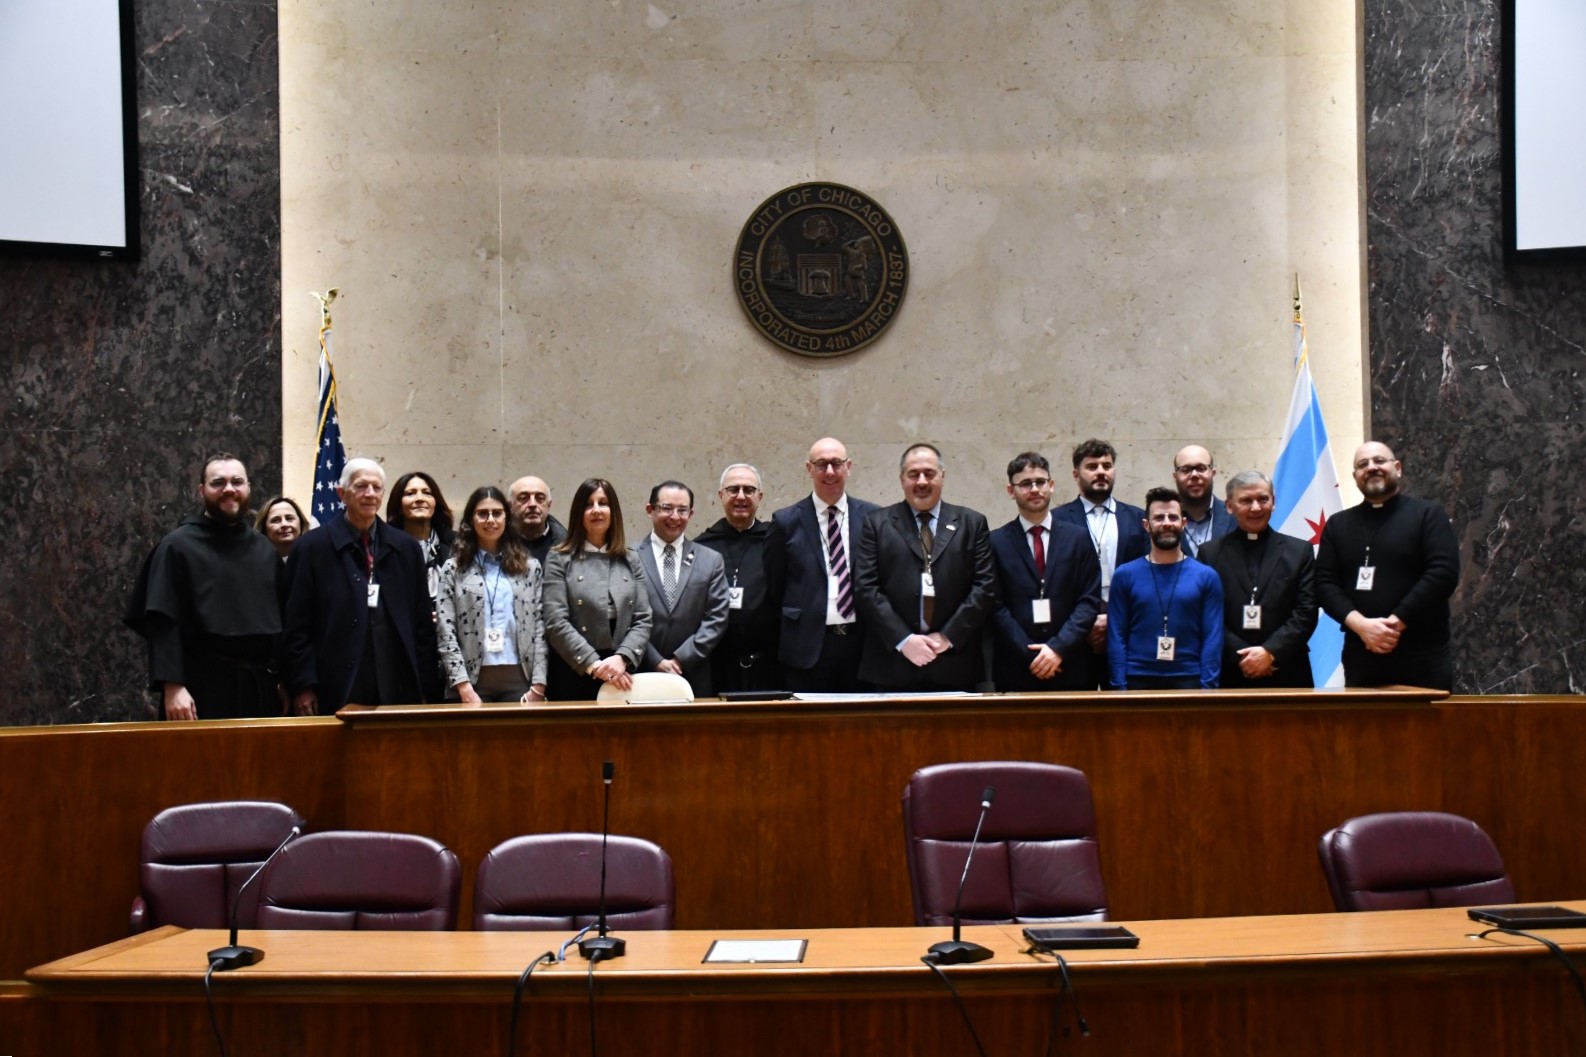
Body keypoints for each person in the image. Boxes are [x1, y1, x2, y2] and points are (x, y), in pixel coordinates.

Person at [125, 454, 284, 720]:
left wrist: (285, 681)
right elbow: (162, 622)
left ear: (248, 488)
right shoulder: (177, 547)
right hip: (198, 692)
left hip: (260, 690)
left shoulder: (264, 550)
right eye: (218, 483)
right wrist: (172, 686)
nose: (229, 489)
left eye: (237, 482)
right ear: (202, 490)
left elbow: (282, 621)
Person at [280, 458, 440, 713]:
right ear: (342, 493)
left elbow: (421, 626)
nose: (370, 494)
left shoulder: (405, 548)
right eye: (361, 486)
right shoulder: (311, 548)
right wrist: (303, 684)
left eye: (376, 488)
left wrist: (425, 686)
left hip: (396, 681)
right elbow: (296, 626)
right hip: (334, 681)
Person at [1315, 441, 1460, 689]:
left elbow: (1442, 574)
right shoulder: (1338, 525)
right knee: (1363, 728)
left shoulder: (1427, 515)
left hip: (1422, 655)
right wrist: (1361, 626)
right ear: (1355, 477)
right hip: (1361, 655)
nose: (1371, 467)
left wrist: (1395, 623)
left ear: (1397, 468)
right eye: (1363, 464)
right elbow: (1324, 583)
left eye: (1379, 461)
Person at [853, 443, 996, 692]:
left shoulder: (972, 523)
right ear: (901, 479)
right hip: (892, 664)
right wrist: (904, 640)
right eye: (913, 474)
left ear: (943, 476)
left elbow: (984, 587)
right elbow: (865, 588)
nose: (921, 481)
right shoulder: (876, 524)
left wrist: (947, 637)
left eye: (929, 473)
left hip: (955, 662)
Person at [765, 437, 881, 692]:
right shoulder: (786, 522)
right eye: (822, 464)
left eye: (836, 464)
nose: (829, 471)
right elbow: (775, 588)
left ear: (848, 467)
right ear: (809, 469)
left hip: (861, 645)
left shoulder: (874, 518)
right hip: (807, 648)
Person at [988, 452, 1102, 692]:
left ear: (1051, 485)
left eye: (1040, 482)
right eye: (1025, 483)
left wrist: (1058, 649)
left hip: (1071, 664)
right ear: (1011, 490)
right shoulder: (996, 542)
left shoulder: (1078, 537)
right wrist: (1030, 654)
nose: (1034, 489)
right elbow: (995, 606)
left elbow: (1088, 600)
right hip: (1017, 668)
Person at [1196, 471, 1318, 688]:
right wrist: (1243, 657)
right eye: (1245, 500)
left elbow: (1306, 612)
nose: (1255, 508)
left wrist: (1270, 652)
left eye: (1263, 499)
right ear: (1229, 506)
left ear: (1273, 502)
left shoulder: (1300, 551)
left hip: (1287, 668)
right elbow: (1206, 614)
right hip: (1230, 670)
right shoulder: (1210, 554)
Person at [541, 478, 652, 700]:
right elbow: (555, 621)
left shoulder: (630, 558)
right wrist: (595, 665)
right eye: (588, 504)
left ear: (614, 512)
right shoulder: (559, 558)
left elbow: (643, 618)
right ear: (578, 513)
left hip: (622, 670)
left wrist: (622, 658)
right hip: (575, 669)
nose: (596, 510)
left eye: (603, 503)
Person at [435, 486, 548, 704]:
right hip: (469, 681)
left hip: (521, 678)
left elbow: (541, 628)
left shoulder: (529, 568)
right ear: (471, 519)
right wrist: (463, 686)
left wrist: (538, 686)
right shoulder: (453, 569)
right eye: (482, 513)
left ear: (507, 518)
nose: (490, 520)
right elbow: (445, 629)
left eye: (497, 513)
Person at [1052, 439, 1150, 685]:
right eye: (1092, 466)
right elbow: (1056, 581)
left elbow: (1146, 577)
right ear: (1076, 475)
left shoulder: (1138, 518)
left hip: (1126, 631)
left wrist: (1114, 618)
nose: (1101, 472)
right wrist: (1089, 620)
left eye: (1107, 465)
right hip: (1073, 635)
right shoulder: (1056, 520)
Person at [1106, 487, 1224, 690]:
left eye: (1173, 517)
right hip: (1137, 679)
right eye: (1159, 518)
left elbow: (1212, 637)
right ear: (1146, 525)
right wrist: (1119, 687)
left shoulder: (1206, 576)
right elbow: (1116, 635)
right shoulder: (1125, 575)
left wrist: (1208, 688)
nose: (1167, 523)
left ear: (1183, 523)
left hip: (1190, 680)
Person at [634, 480, 730, 695]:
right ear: (650, 510)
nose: (675, 517)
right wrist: (655, 660)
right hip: (639, 672)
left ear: (691, 513)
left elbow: (717, 618)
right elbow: (623, 616)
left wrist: (681, 658)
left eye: (682, 510)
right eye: (666, 508)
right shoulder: (628, 557)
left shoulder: (711, 560)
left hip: (693, 673)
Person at [695, 463, 782, 692]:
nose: (741, 496)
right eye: (733, 490)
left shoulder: (776, 542)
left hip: (768, 662)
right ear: (721, 495)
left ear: (760, 496)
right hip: (715, 663)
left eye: (749, 490)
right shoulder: (701, 547)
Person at [386, 471, 455, 605]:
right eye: (410, 493)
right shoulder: (384, 546)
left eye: (427, 493)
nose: (419, 498)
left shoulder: (458, 544)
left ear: (435, 502)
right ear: (398, 504)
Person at [1172, 444, 1237, 557]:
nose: (1194, 475)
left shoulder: (1236, 517)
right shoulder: (1161, 521)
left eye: (1201, 468)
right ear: (1175, 476)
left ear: (1213, 472)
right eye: (1185, 470)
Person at [509, 474, 568, 570]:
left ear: (549, 505)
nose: (532, 504)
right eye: (524, 498)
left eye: (540, 498)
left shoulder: (567, 546)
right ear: (510, 506)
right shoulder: (497, 543)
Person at [254, 496, 307, 561]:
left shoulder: (315, 558)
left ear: (301, 523)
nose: (284, 524)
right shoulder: (254, 562)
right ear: (264, 527)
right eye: (276, 520)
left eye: (289, 518)